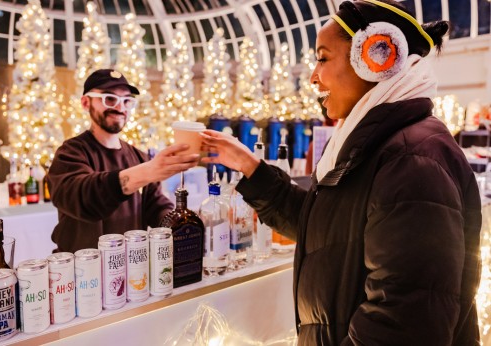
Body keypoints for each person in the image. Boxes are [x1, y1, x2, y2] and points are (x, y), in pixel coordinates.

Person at [201, 1, 482, 344]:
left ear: (377, 58)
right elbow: (324, 226)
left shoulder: (411, 159)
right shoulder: (374, 145)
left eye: (322, 57)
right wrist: (249, 166)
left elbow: (403, 322)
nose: (314, 77)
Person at [48, 69, 199, 253]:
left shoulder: (139, 156)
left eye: (127, 101)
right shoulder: (70, 153)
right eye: (109, 99)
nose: (120, 108)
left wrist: (182, 222)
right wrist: (145, 172)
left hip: (132, 267)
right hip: (82, 272)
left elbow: (156, 207)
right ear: (86, 102)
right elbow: (84, 198)